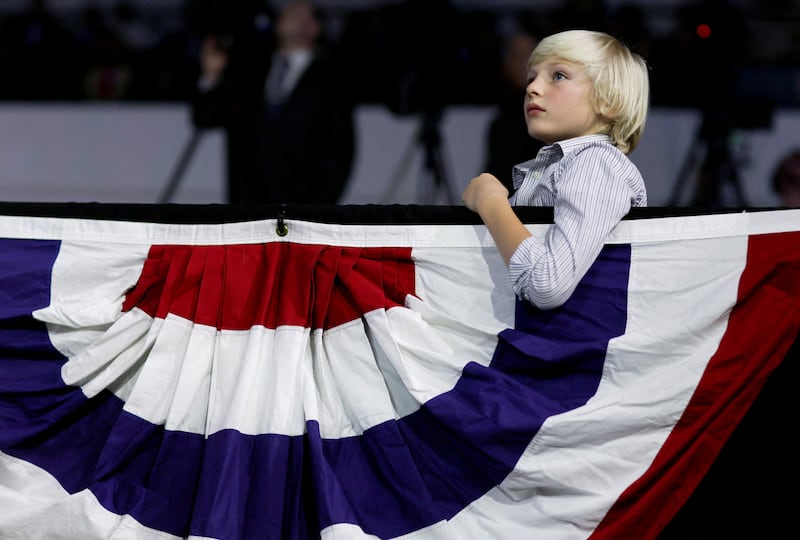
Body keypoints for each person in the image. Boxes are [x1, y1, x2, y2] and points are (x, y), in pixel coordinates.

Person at [461, 29, 649, 310]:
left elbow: (547, 285)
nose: (532, 88)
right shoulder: (560, 165)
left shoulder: (595, 163)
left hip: (571, 348)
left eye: (558, 76)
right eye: (531, 77)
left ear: (608, 101)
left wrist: (490, 202)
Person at [191, 0, 356, 205]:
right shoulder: (251, 70)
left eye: (297, 13)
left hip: (302, 206)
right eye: (287, 12)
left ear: (314, 27)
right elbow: (206, 118)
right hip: (249, 206)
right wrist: (210, 76)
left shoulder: (331, 79)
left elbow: (341, 149)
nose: (287, 15)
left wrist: (321, 205)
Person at [482, 30, 545, 195]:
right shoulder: (501, 121)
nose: (524, 64)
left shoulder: (552, 113)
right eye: (516, 56)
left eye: (530, 57)